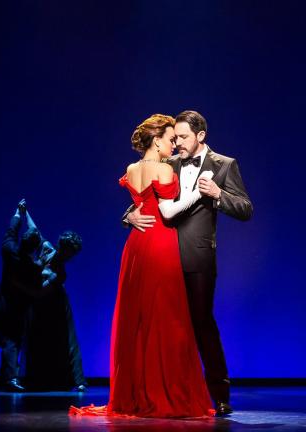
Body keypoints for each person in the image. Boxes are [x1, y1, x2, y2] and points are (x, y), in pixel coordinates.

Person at [73, 114, 214, 418]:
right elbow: (167, 209)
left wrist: (129, 217)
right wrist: (199, 192)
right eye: (169, 138)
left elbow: (140, 205)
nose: (173, 143)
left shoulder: (131, 169)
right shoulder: (163, 168)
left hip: (136, 247)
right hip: (161, 245)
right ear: (156, 140)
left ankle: (135, 393)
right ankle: (162, 393)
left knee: (137, 320)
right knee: (166, 319)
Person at [124, 111, 252, 415]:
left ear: (201, 136)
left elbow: (246, 208)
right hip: (163, 256)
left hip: (197, 257)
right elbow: (146, 198)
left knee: (201, 323)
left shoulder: (224, 165)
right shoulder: (170, 162)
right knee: (167, 327)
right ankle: (171, 393)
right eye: (175, 137)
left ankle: (220, 395)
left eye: (183, 137)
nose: (178, 142)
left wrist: (219, 194)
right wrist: (127, 216)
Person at [0, 199, 43, 392]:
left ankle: (6, 378)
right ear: (34, 248)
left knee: (8, 342)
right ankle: (9, 379)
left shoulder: (9, 250)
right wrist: (27, 215)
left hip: (3, 303)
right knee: (12, 341)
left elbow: (11, 231)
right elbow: (39, 239)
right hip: (17, 308)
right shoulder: (33, 266)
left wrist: (19, 213)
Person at [22, 231, 86, 392]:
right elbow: (34, 228)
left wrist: (19, 286)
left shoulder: (59, 271)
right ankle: (43, 379)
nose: (70, 256)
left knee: (64, 340)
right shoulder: (48, 250)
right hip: (44, 306)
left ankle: (74, 380)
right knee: (46, 340)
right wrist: (23, 213)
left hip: (55, 305)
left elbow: (38, 292)